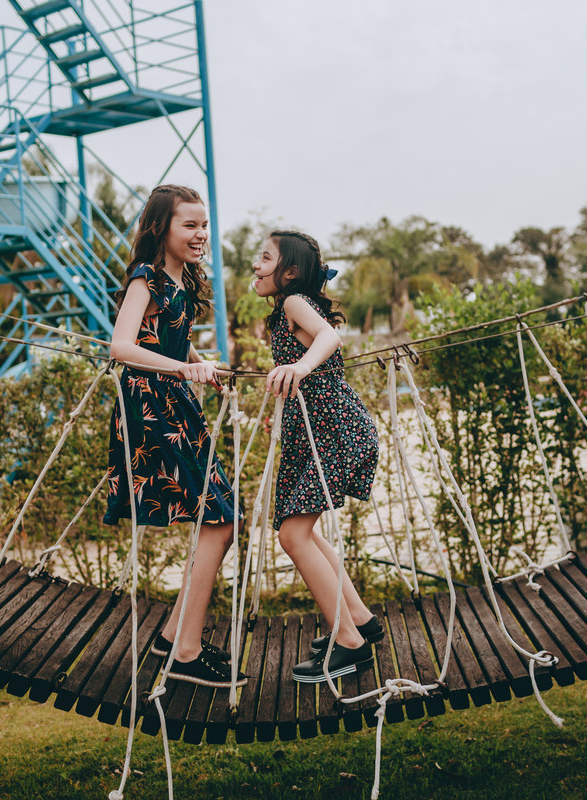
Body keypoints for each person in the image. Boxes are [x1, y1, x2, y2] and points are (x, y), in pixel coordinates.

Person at [105, 184, 244, 688]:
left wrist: (199, 362)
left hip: (176, 403)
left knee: (224, 515)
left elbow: (169, 339)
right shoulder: (145, 278)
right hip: (150, 406)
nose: (201, 234)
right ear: (162, 229)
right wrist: (183, 371)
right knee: (220, 518)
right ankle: (184, 652)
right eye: (190, 225)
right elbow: (122, 346)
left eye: (204, 225)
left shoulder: (183, 279)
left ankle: (171, 637)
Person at [251, 230, 384, 683]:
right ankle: (361, 619)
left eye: (264, 257)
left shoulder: (294, 301)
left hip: (334, 431)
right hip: (318, 431)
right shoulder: (288, 308)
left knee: (293, 536)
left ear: (289, 272)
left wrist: (301, 365)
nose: (255, 265)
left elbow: (330, 338)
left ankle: (350, 644)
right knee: (299, 530)